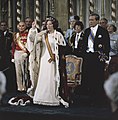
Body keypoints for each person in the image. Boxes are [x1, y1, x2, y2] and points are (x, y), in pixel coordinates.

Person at [32, 16, 69, 107]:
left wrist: (56, 55)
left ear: (54, 25)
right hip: (44, 58)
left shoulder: (58, 35)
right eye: (47, 24)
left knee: (51, 77)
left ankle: (52, 98)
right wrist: (34, 30)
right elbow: (34, 40)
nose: (48, 26)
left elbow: (63, 47)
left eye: (50, 24)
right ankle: (40, 97)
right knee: (43, 77)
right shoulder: (43, 35)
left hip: (53, 60)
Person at [81, 13, 110, 106]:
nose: (90, 22)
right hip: (88, 57)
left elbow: (107, 46)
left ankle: (98, 100)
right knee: (88, 78)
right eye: (89, 20)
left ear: (97, 21)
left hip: (98, 57)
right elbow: (83, 45)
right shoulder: (86, 31)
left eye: (92, 20)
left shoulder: (103, 31)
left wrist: (106, 59)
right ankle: (89, 99)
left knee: (98, 78)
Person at [12, 21, 29, 92]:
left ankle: (26, 86)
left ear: (25, 26)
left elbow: (30, 45)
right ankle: (20, 87)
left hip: (24, 52)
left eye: (23, 26)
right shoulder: (16, 34)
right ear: (17, 27)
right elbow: (13, 46)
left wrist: (27, 52)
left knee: (25, 70)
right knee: (18, 70)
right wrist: (13, 56)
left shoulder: (28, 34)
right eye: (20, 26)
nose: (21, 27)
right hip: (17, 52)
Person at [0, 21, 16, 92]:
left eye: (4, 25)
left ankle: (9, 87)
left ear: (7, 26)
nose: (3, 26)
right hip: (0, 55)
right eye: (1, 25)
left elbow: (13, 44)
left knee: (8, 70)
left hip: (8, 55)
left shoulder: (10, 35)